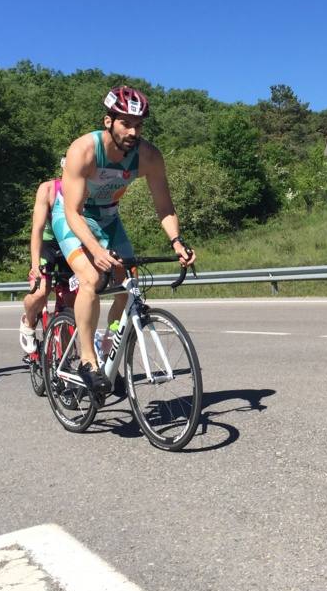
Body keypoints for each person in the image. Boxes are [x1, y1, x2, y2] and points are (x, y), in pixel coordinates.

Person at [52, 86, 196, 394]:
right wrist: (95, 250)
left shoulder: (149, 156)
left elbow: (164, 206)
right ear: (108, 122)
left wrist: (177, 241)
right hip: (72, 217)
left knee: (128, 284)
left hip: (109, 218)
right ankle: (88, 359)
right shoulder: (84, 151)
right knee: (91, 278)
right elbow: (73, 213)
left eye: (139, 125)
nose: (133, 131)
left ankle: (108, 346)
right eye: (125, 123)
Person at [19, 162, 70, 354]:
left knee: (71, 300)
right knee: (41, 292)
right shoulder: (48, 189)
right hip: (46, 244)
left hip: (69, 245)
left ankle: (64, 359)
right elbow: (37, 230)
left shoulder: (87, 189)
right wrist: (35, 265)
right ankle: (28, 321)